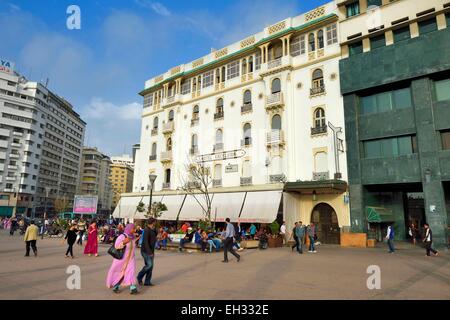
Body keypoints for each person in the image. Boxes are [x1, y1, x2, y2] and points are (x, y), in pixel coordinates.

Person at [106, 224, 138, 294]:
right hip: (121, 259)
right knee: (120, 273)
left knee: (131, 272)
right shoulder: (122, 236)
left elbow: (132, 246)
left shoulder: (133, 237)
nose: (135, 230)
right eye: (133, 228)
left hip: (131, 259)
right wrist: (123, 242)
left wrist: (136, 240)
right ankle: (116, 286)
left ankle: (133, 288)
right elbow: (116, 246)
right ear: (129, 229)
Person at [137, 218, 157, 287]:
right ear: (152, 222)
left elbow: (155, 236)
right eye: (155, 222)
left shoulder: (152, 229)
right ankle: (139, 276)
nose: (156, 223)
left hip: (151, 251)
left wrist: (154, 229)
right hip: (146, 251)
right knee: (149, 265)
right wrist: (149, 252)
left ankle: (147, 281)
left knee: (150, 267)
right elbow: (145, 242)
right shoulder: (146, 230)